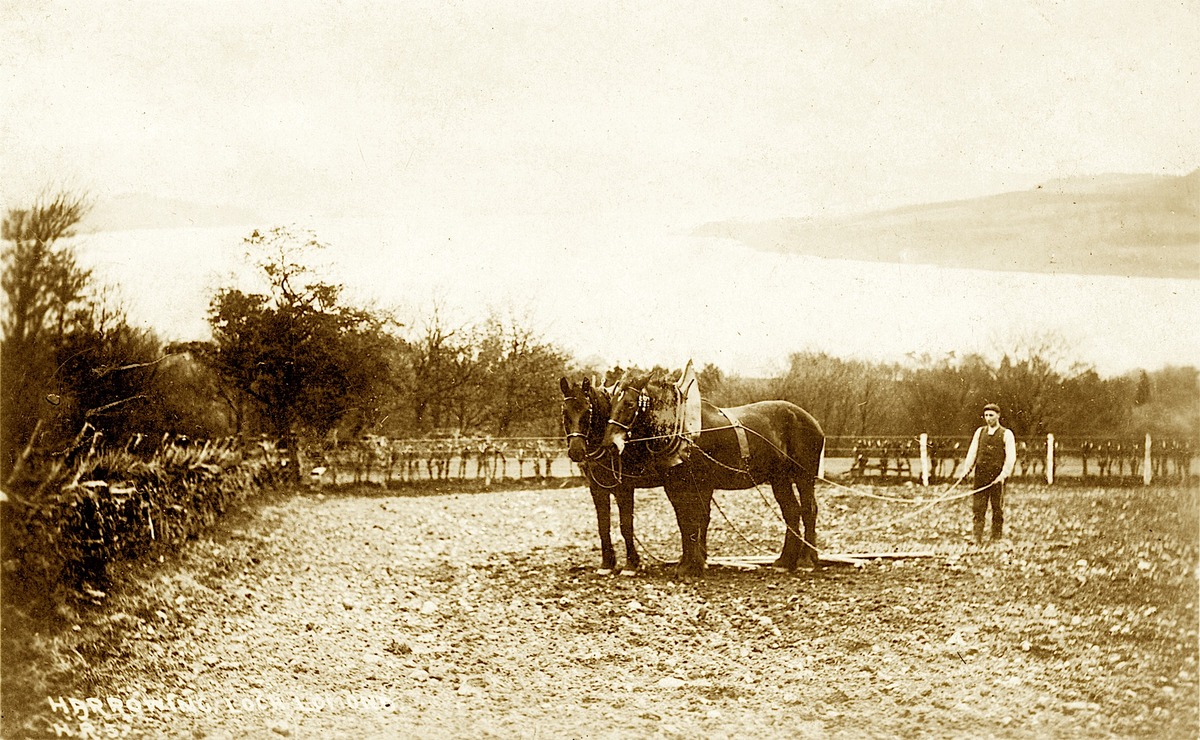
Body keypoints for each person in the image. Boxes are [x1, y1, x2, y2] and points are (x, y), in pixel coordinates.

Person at [956, 403, 1017, 545]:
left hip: (997, 476)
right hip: (981, 475)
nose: (988, 418)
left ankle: (996, 537)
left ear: (998, 415)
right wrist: (966, 470)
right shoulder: (980, 432)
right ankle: (977, 537)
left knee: (997, 507)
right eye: (986, 415)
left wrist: (1003, 475)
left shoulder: (1006, 434)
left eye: (991, 415)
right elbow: (972, 452)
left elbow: (1011, 457)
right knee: (978, 507)